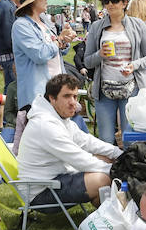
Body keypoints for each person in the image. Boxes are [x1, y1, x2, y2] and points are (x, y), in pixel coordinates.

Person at [17, 72, 121, 208]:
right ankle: (110, 214)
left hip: (58, 178)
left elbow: (87, 141)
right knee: (102, 178)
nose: (73, 102)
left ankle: (109, 212)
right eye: (67, 96)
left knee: (108, 159)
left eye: (75, 96)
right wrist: (119, 171)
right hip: (41, 191)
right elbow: (79, 159)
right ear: (52, 98)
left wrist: (119, 154)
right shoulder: (45, 124)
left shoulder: (57, 117)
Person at [83, 0, 146, 144]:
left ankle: (129, 162)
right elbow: (87, 61)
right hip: (104, 90)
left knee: (130, 139)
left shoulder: (138, 25)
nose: (110, 4)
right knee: (106, 140)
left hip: (131, 88)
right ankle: (111, 162)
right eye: (106, 1)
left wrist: (134, 65)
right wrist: (100, 54)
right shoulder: (96, 27)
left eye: (115, 0)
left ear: (124, 2)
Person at [11, 0, 75, 147]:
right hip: (38, 94)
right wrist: (59, 40)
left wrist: (65, 41)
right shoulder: (21, 25)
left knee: (60, 140)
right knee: (44, 143)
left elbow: (58, 52)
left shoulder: (45, 22)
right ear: (32, 1)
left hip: (56, 90)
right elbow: (39, 54)